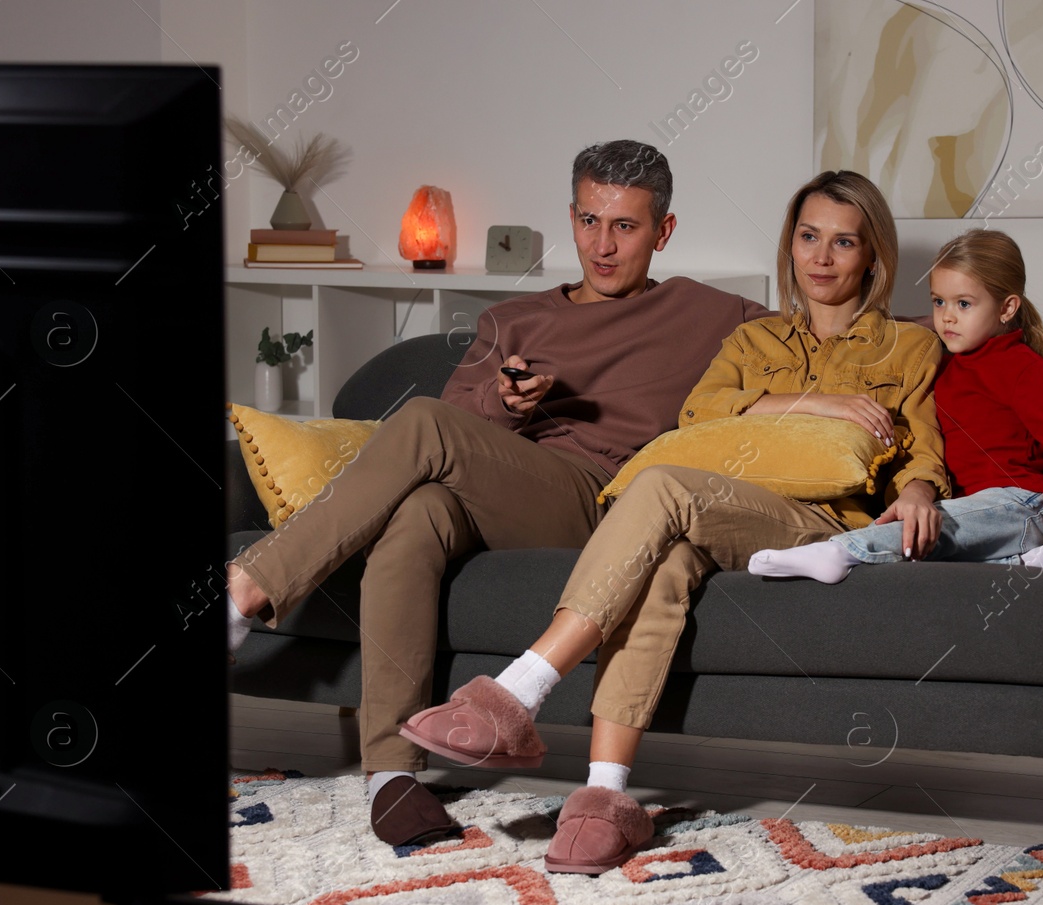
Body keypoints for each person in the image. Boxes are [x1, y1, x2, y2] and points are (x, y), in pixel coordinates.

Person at [398, 170, 948, 874]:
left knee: (657, 485)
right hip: (722, 508)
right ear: (791, 243)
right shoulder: (755, 340)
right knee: (659, 565)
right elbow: (700, 413)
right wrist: (816, 404)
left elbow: (924, 447)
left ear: (871, 256)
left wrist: (922, 489)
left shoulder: (909, 348)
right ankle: (604, 798)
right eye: (809, 237)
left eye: (844, 243)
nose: (821, 257)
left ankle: (518, 692)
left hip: (814, 524)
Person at [225, 140, 765, 847]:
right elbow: (451, 429)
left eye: (626, 227)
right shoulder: (513, 318)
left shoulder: (712, 313)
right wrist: (510, 404)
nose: (602, 246)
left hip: (606, 509)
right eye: (589, 221)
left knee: (418, 423)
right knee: (415, 515)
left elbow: (833, 327)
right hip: (508, 492)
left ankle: (242, 592)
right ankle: (392, 777)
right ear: (571, 215)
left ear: (663, 232)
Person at [748, 228, 1043, 584]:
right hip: (975, 516)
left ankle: (838, 551)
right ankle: (1028, 563)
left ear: (1007, 308)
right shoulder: (940, 365)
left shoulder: (1025, 369)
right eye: (939, 301)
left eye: (963, 304)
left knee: (927, 524)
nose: (947, 316)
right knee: (927, 535)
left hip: (1020, 507)